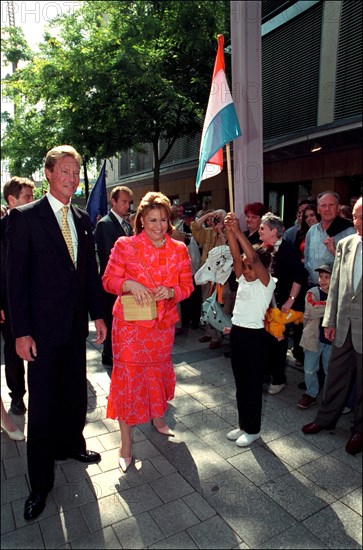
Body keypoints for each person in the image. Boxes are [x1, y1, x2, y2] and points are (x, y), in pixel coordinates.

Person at [6, 145, 107, 521]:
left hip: (73, 327)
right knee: (43, 406)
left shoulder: (82, 219)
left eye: (76, 171)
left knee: (73, 392)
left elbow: (88, 275)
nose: (71, 178)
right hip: (41, 333)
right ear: (48, 173)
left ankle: (71, 445)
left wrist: (98, 314)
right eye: (64, 171)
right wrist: (21, 332)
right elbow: (15, 281)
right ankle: (40, 483)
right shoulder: (25, 218)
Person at [102, 191, 193, 473]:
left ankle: (158, 417)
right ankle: (126, 443)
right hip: (129, 329)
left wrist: (172, 291)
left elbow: (188, 287)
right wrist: (130, 285)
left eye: (163, 220)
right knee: (129, 382)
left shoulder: (179, 249)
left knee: (156, 373)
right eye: (152, 220)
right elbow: (108, 280)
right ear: (141, 219)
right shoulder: (125, 245)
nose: (158, 226)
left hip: (161, 328)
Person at [302, 197, 362, 455]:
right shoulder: (347, 244)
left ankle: (359, 430)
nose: (359, 222)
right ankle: (325, 419)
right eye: (357, 216)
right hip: (342, 325)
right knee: (335, 374)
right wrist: (330, 320)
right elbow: (335, 285)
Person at [224, 212, 275, 446]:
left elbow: (253, 258)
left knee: (252, 384)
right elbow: (238, 257)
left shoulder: (267, 283)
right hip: (238, 334)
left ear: (264, 269)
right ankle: (243, 424)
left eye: (250, 268)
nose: (245, 270)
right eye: (244, 268)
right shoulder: (244, 278)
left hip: (255, 337)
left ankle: (253, 429)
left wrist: (238, 233)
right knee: (240, 383)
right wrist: (230, 232)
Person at [258, 213, 308, 394]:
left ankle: (279, 379)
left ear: (274, 231)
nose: (259, 231)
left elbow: (299, 276)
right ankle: (266, 373)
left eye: (262, 228)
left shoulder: (287, 249)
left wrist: (290, 300)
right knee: (265, 340)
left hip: (282, 304)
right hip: (266, 304)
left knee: (279, 342)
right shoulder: (262, 248)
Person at [1, 177, 35, 415]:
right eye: (27, 198)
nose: (32, 202)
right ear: (12, 200)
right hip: (8, 305)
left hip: (37, 303)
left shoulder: (38, 226)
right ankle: (17, 396)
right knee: (13, 354)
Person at [95, 185, 134, 368]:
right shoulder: (105, 224)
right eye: (124, 201)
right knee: (111, 320)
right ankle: (108, 354)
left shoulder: (126, 224)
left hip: (125, 283)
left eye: (129, 202)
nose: (127, 205)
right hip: (112, 282)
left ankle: (117, 352)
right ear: (114, 201)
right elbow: (109, 256)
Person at [297, 263, 333, 409]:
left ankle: (329, 398)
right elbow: (311, 309)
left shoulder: (338, 293)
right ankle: (311, 394)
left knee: (329, 370)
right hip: (313, 338)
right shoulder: (312, 291)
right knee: (310, 368)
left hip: (331, 341)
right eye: (320, 276)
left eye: (327, 277)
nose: (323, 280)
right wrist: (332, 306)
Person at [191, 208, 228, 349]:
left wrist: (220, 231)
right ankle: (209, 331)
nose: (215, 221)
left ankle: (216, 336)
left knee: (216, 306)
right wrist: (207, 215)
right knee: (206, 304)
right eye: (215, 218)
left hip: (219, 277)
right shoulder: (207, 233)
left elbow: (227, 248)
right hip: (206, 275)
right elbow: (195, 227)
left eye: (218, 218)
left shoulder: (228, 233)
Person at [304, 191, 355, 286]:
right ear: (318, 209)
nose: (327, 209)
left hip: (337, 288)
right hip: (313, 286)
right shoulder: (312, 231)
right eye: (323, 205)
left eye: (331, 205)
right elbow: (307, 259)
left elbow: (353, 263)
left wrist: (334, 251)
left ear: (338, 208)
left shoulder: (349, 231)